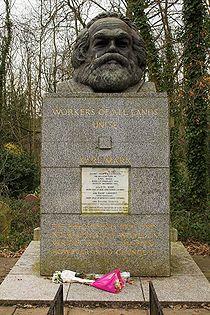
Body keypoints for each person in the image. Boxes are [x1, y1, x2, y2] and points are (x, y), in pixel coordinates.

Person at [61, 12, 146, 93]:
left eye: (122, 44)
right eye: (101, 43)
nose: (112, 48)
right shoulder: (64, 91)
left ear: (136, 52)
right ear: (83, 52)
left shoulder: (147, 91)